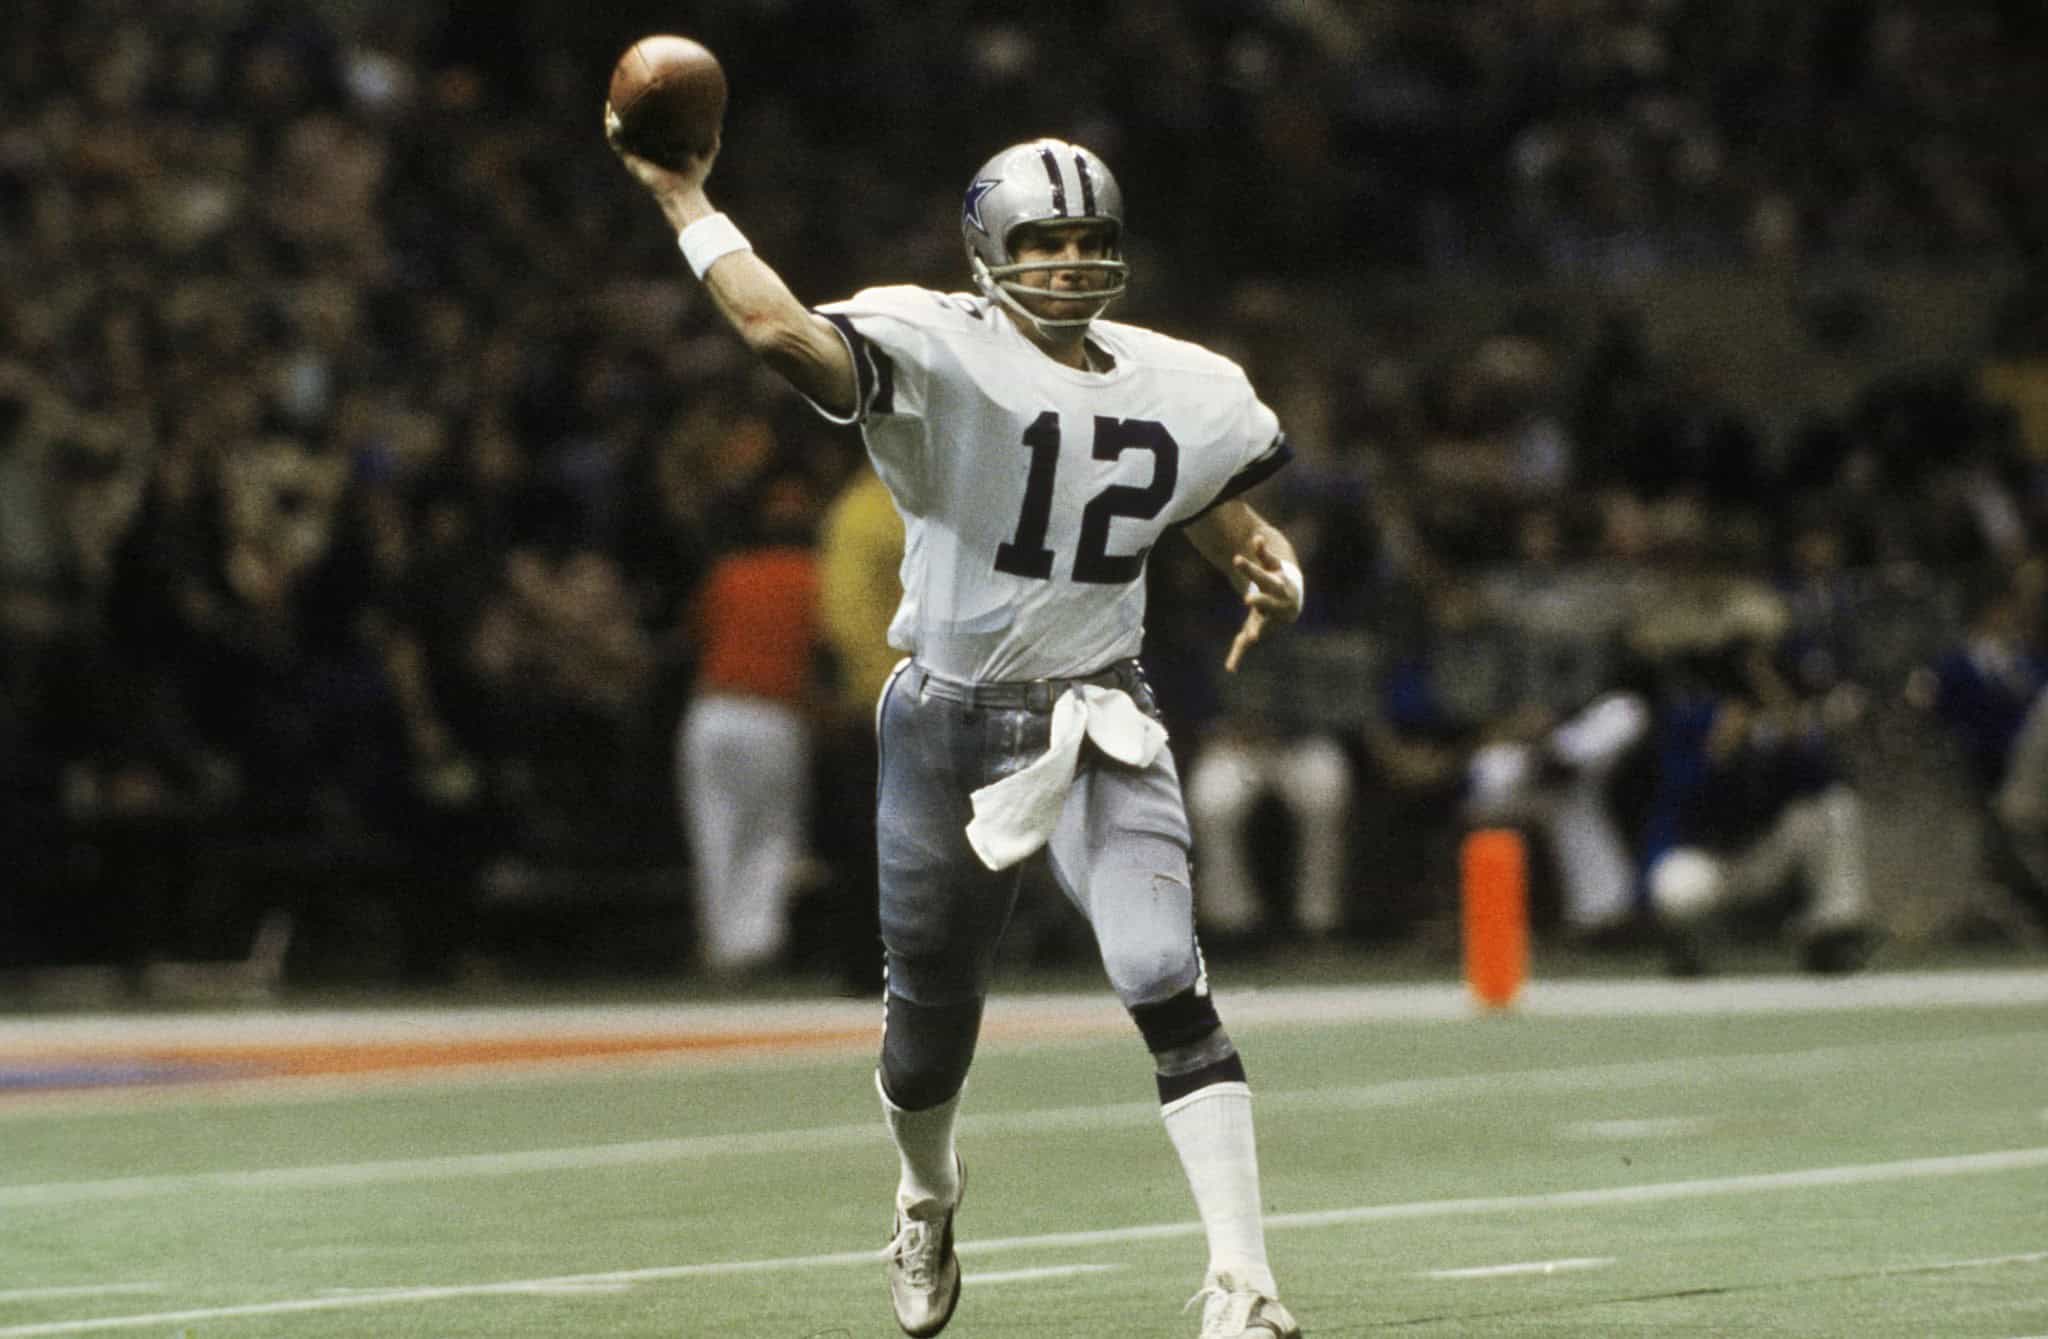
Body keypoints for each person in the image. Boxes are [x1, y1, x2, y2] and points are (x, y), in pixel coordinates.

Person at [611, 122, 1306, 1339]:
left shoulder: (1184, 382)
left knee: (1159, 972)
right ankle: (927, 1194)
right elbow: (780, 333)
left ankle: (1243, 1282)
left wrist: (1252, 550)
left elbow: (1190, 492)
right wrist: (686, 200)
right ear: (989, 250)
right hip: (943, 721)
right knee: (927, 1032)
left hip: (1098, 717)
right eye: (1044, 240)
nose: (1071, 261)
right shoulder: (936, 345)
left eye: (1091, 238)